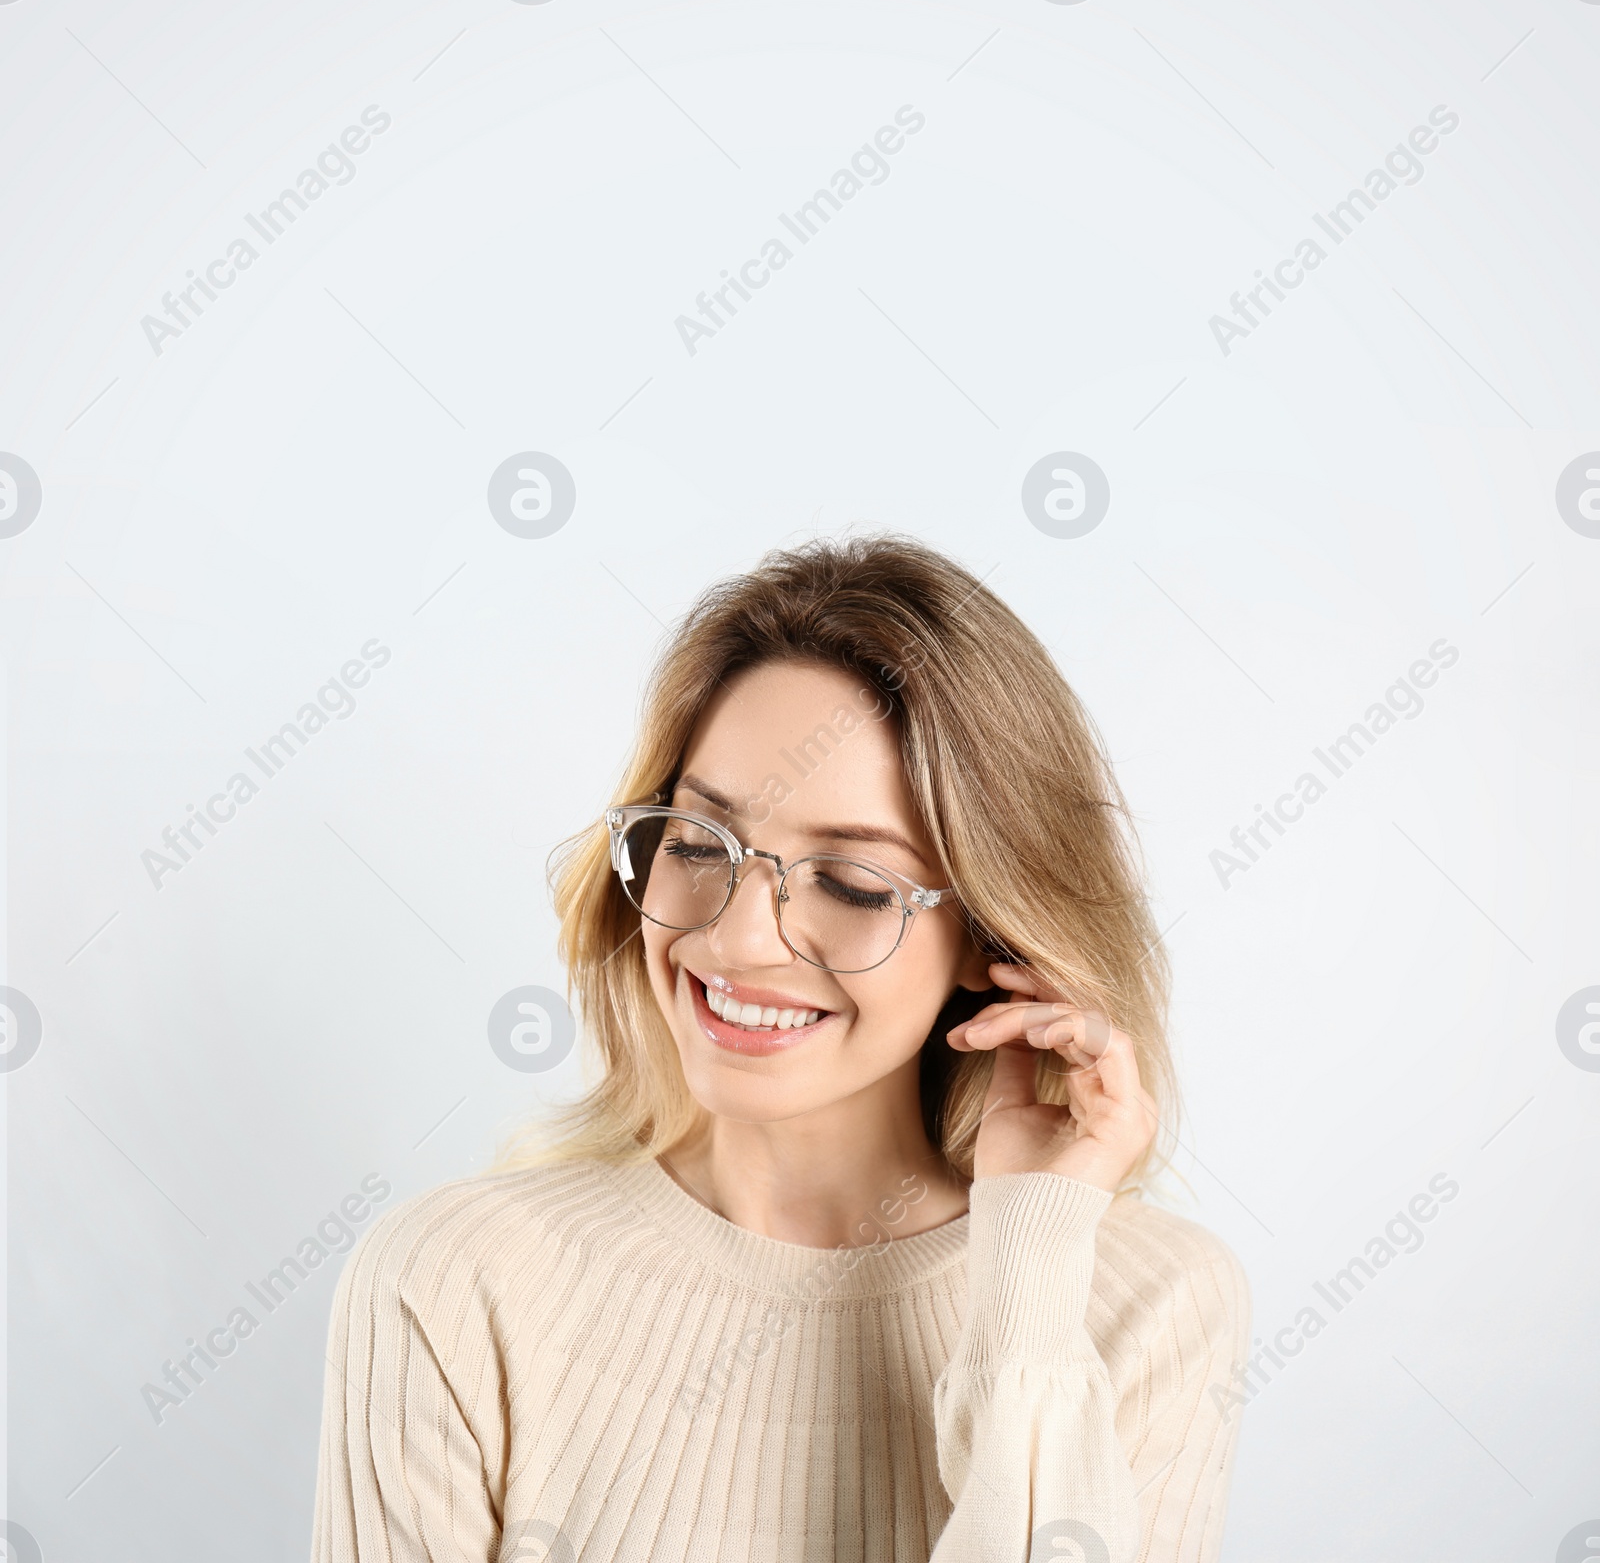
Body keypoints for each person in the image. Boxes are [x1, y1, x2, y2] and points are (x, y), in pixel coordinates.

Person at [310, 534, 1250, 1562]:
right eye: (697, 843)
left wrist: (1028, 1269)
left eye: (852, 883)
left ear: (991, 936)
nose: (739, 937)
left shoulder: (1152, 1304)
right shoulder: (455, 1282)